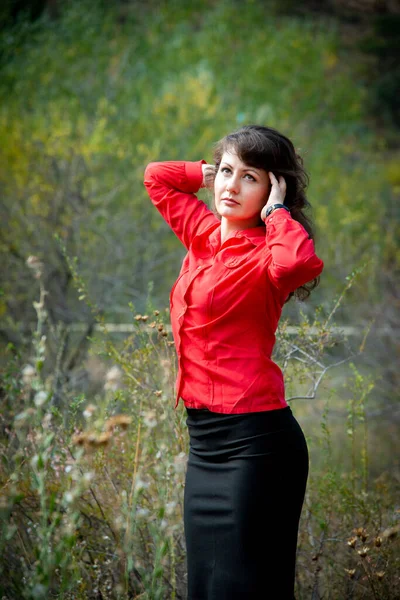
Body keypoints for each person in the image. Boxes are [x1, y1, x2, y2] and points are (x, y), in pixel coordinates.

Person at [144, 125, 324, 600]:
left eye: (250, 178)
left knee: (240, 588)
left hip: (257, 445)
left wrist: (279, 213)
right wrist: (205, 172)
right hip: (204, 445)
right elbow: (156, 178)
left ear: (271, 189)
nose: (231, 185)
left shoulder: (269, 254)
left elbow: (296, 266)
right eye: (227, 172)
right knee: (205, 586)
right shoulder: (201, 235)